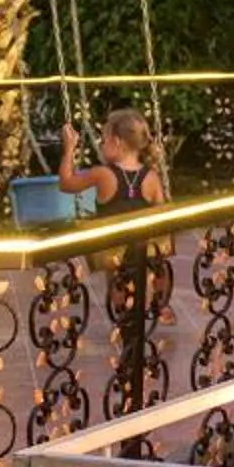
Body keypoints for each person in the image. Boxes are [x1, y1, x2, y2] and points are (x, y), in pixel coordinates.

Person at [60, 108, 172, 406]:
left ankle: (128, 335)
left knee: (120, 290)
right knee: (138, 286)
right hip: (142, 249)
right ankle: (145, 318)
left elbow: (66, 183)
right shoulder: (151, 177)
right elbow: (162, 212)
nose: (101, 144)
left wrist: (69, 149)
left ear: (117, 143)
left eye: (104, 139)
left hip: (114, 252)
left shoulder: (102, 174)